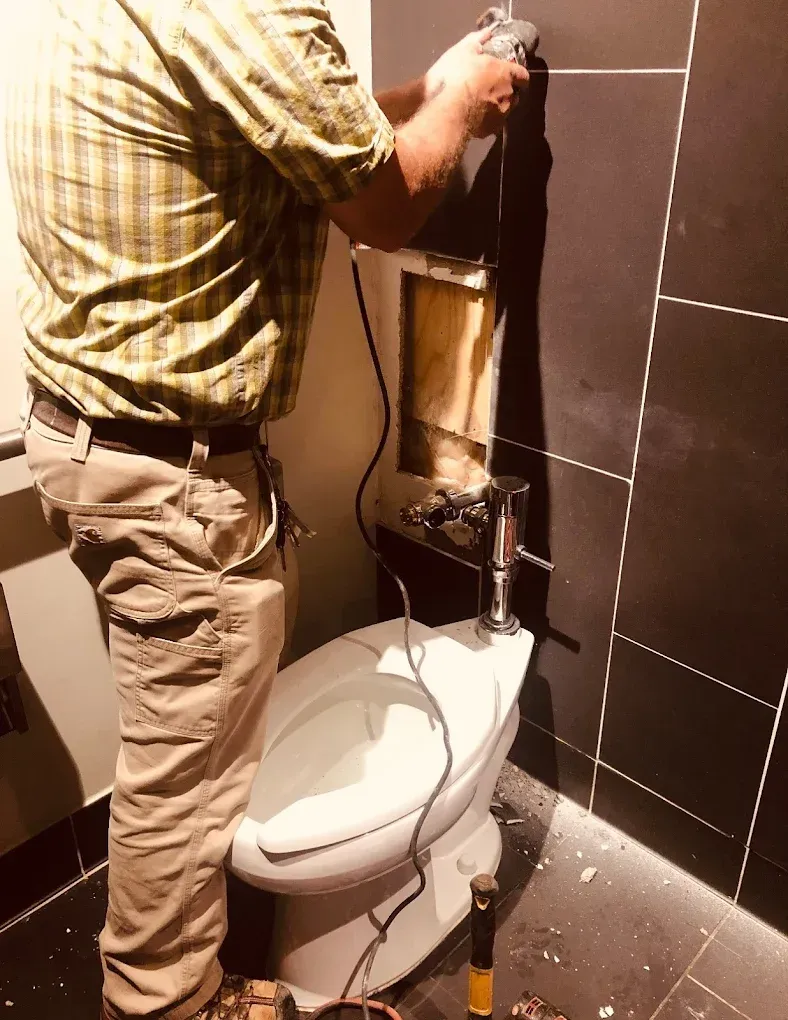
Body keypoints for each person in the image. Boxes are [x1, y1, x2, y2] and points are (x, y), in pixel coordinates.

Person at [5, 2, 528, 1018]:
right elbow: (385, 202)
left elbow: (283, 124)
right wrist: (461, 102)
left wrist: (425, 89)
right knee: (184, 795)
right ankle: (166, 1006)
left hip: (84, 449)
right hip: (173, 486)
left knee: (172, 761)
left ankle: (180, 982)